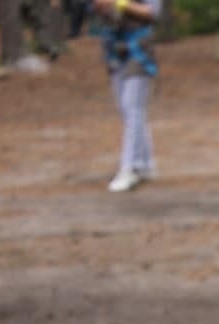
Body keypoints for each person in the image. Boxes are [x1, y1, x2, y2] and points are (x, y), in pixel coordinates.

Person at [91, 0, 160, 192]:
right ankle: (144, 163)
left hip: (139, 48)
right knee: (126, 108)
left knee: (133, 107)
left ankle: (128, 168)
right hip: (113, 46)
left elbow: (151, 13)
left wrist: (121, 4)